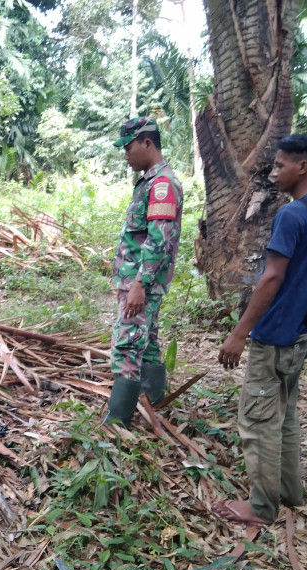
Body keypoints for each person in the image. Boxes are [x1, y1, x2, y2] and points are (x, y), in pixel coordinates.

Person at [214, 133, 307, 526]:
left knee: (258, 419)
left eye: (280, 165)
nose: (273, 172)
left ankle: (262, 506)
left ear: (303, 167)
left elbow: (271, 279)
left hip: (276, 335)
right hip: (300, 332)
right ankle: (289, 491)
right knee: (284, 414)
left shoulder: (291, 215)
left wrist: (239, 334)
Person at [105, 117, 184, 427]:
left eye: (129, 147)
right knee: (147, 344)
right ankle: (153, 406)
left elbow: (158, 240)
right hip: (140, 282)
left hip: (141, 284)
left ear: (147, 143)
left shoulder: (162, 184)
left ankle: (116, 424)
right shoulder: (151, 181)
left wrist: (139, 284)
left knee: (126, 347)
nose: (126, 154)